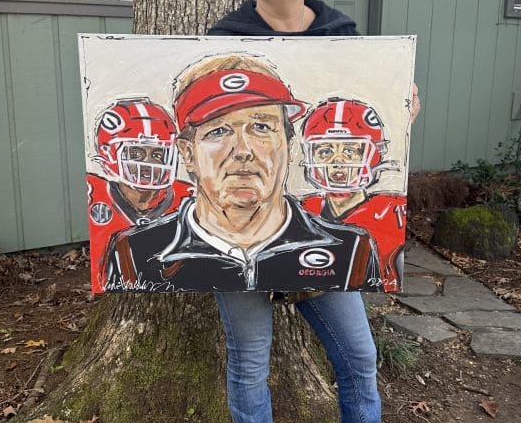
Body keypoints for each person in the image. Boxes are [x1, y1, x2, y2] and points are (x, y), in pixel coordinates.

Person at [205, 0, 420, 423]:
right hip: (239, 233)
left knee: (357, 354)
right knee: (249, 361)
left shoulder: (346, 38)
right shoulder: (222, 42)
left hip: (321, 235)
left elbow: (370, 126)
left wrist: (402, 105)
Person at [105, 54, 378, 293]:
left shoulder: (352, 249)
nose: (243, 151)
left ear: (289, 145)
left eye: (261, 127)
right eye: (219, 131)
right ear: (187, 154)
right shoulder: (134, 254)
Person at [300, 97, 408, 293]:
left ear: (373, 154)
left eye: (350, 150)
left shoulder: (391, 213)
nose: (338, 161)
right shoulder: (302, 210)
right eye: (325, 151)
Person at [86, 98, 193, 293]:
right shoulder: (94, 195)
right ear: (108, 154)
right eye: (135, 154)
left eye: (157, 154)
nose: (148, 164)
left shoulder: (188, 198)